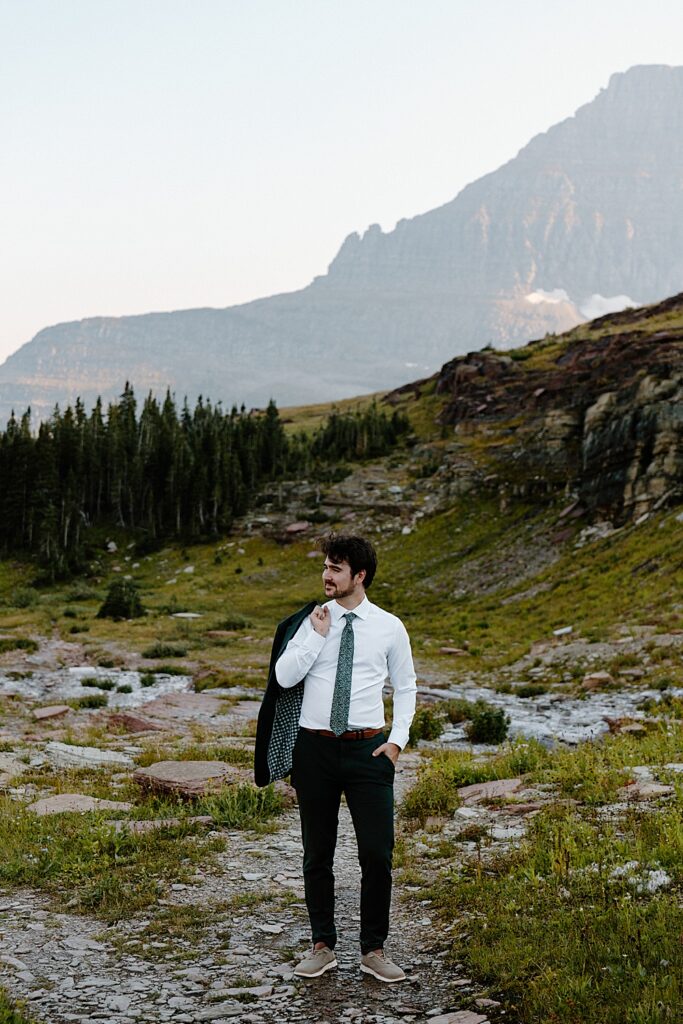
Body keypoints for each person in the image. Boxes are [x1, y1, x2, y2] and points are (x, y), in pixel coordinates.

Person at [268, 533, 416, 983]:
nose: (326, 575)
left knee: (376, 853)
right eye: (326, 567)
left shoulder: (389, 627)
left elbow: (406, 686)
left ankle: (373, 949)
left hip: (369, 750)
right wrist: (315, 638)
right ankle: (322, 945)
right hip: (314, 750)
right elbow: (284, 675)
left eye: (335, 568)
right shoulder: (310, 621)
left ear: (359, 575)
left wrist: (397, 743)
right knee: (318, 852)